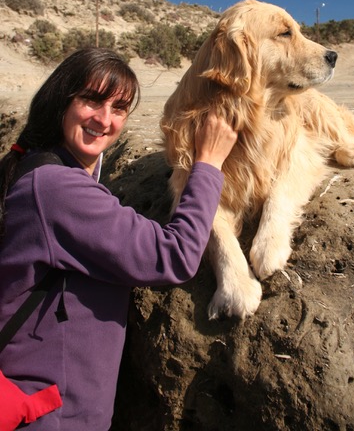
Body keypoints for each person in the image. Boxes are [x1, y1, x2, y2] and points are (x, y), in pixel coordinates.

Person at [0, 47, 237, 430]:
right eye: (92, 100)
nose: (105, 119)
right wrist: (208, 162)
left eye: (120, 108)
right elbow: (174, 256)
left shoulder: (37, 167)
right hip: (51, 417)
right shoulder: (56, 188)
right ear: (61, 99)